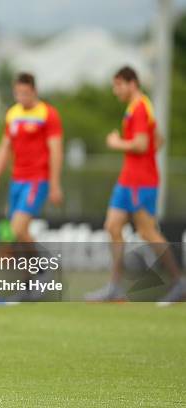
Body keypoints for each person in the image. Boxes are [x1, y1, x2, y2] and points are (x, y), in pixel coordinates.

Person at [86, 66, 185, 303]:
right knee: (112, 226)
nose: (115, 90)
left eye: (118, 85)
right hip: (128, 179)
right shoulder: (139, 106)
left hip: (140, 181)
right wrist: (146, 157)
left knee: (147, 231)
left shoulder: (140, 107)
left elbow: (141, 144)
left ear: (132, 84)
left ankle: (179, 282)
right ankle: (114, 287)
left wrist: (117, 142)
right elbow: (157, 139)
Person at [0, 72, 63, 242]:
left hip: (37, 179)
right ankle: (33, 268)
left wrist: (54, 184)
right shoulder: (13, 114)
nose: (21, 97)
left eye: (25, 93)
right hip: (17, 179)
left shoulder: (47, 114)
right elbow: (4, 148)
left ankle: (40, 267)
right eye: (18, 93)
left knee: (17, 229)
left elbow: (56, 151)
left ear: (34, 91)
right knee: (17, 234)